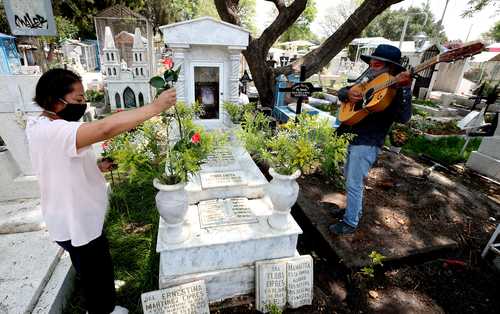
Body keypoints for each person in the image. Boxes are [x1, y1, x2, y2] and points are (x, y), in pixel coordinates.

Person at [26, 68, 176, 313]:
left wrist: (97, 167)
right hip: (77, 220)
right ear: (54, 99)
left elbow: (59, 165)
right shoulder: (55, 131)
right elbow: (104, 129)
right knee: (96, 272)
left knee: (94, 270)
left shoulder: (41, 124)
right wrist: (155, 108)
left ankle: (103, 306)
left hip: (71, 216)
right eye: (78, 99)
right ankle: (100, 310)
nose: (83, 104)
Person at [330, 44, 413, 235]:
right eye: (373, 60)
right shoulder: (367, 78)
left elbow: (404, 118)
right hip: (350, 134)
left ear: (391, 67)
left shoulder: (396, 87)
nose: (374, 63)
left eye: (380, 62)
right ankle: (352, 211)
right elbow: (344, 91)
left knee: (354, 183)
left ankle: (350, 223)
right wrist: (347, 94)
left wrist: (406, 89)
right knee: (348, 178)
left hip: (367, 141)